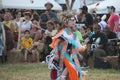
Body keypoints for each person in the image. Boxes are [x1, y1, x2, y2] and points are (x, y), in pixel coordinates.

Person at [48, 12, 86, 80]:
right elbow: (56, 43)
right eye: (72, 20)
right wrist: (56, 54)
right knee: (71, 68)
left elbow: (73, 47)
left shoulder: (74, 35)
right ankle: (61, 78)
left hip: (68, 55)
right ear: (66, 23)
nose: (74, 22)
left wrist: (78, 54)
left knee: (73, 69)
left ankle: (62, 77)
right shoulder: (64, 32)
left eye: (74, 20)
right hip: (61, 55)